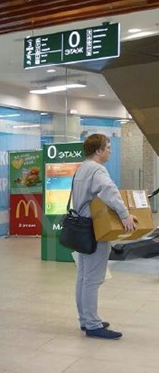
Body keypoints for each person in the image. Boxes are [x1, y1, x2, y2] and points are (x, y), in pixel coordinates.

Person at [72, 134, 136, 340]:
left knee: (83, 276)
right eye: (108, 147)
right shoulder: (97, 169)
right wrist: (124, 214)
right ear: (98, 151)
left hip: (81, 230)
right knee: (93, 279)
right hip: (94, 230)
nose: (110, 151)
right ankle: (93, 325)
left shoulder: (82, 168)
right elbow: (109, 190)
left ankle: (85, 319)